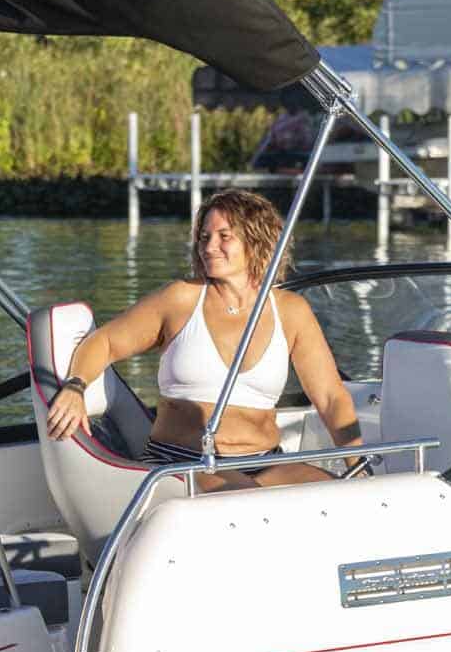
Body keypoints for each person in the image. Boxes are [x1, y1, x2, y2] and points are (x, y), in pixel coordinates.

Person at [44, 188, 363, 488]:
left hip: (265, 462)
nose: (209, 246)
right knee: (245, 501)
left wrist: (360, 468)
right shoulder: (181, 299)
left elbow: (331, 398)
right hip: (182, 464)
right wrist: (76, 386)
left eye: (224, 237)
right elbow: (104, 342)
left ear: (257, 241)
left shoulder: (292, 311)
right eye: (204, 236)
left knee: (344, 499)